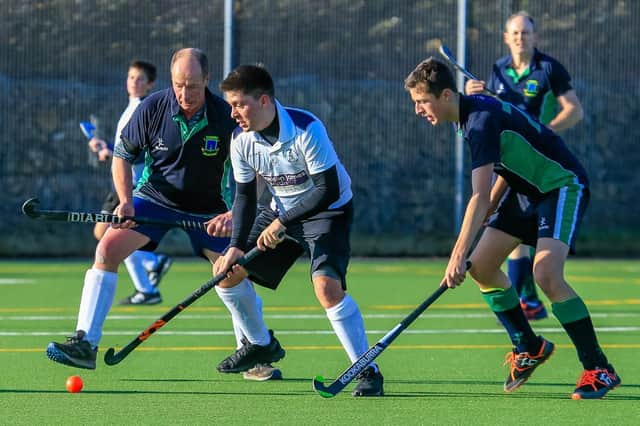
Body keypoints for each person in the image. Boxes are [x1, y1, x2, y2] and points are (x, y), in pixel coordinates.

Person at [46, 49, 284, 379]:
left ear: (207, 80)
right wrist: (126, 202)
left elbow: (258, 171)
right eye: (178, 85)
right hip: (155, 198)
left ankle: (257, 350)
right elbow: (121, 156)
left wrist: (235, 212)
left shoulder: (226, 116)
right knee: (107, 249)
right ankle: (85, 344)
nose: (185, 94)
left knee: (232, 271)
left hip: (210, 208)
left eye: (193, 86)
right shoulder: (152, 107)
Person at [404, 57, 620, 400]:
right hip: (523, 191)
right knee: (483, 268)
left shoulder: (478, 121)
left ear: (445, 95)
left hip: (559, 185)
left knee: (546, 274)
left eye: (422, 101)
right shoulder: (467, 114)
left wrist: (457, 254)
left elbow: (475, 194)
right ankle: (529, 346)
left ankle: (599, 368)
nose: (418, 110)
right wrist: (492, 203)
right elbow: (508, 160)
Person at [214, 64, 384, 397]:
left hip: (327, 213)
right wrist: (235, 245)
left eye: (239, 104)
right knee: (227, 273)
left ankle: (368, 370)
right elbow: (246, 197)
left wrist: (282, 223)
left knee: (327, 289)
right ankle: (261, 345)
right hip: (280, 212)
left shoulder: (307, 128)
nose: (233, 113)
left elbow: (327, 189)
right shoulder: (240, 140)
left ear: (264, 101)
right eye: (230, 105)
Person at [464, 11, 584, 321]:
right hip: (511, 164)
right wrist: (475, 97)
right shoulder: (498, 70)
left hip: (541, 163)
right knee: (508, 229)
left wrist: (544, 136)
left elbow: (574, 110)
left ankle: (528, 297)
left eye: (526, 33)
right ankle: (527, 301)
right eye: (515, 33)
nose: (520, 38)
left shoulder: (548, 69)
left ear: (535, 37)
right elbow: (492, 111)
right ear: (506, 38)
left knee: (523, 238)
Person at [87, 60, 173, 305]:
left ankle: (148, 282)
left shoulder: (142, 109)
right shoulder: (131, 108)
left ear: (150, 84)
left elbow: (137, 151)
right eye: (131, 77)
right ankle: (151, 271)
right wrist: (104, 148)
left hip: (133, 183)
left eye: (140, 79)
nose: (133, 82)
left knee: (111, 234)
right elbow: (123, 148)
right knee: (106, 233)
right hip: (123, 182)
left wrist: (107, 152)